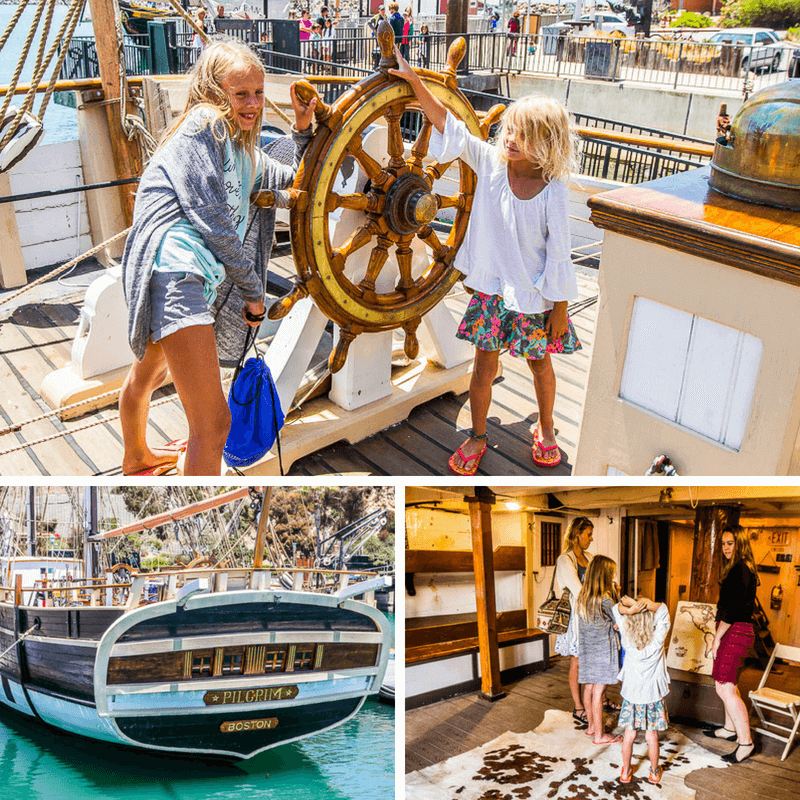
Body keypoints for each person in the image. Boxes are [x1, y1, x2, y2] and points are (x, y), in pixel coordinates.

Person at [119, 40, 316, 476]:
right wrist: (253, 292)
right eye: (240, 93)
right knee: (214, 423)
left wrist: (302, 130)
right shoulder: (204, 125)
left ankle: (135, 456)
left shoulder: (245, 154)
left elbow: (300, 179)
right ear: (212, 91)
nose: (252, 103)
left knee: (147, 376)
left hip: (175, 273)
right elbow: (214, 222)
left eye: (259, 93)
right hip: (175, 270)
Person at [389, 51, 580, 476]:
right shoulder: (491, 164)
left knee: (540, 364)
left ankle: (546, 428)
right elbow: (448, 125)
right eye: (508, 129)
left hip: (534, 298)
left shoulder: (554, 193)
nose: (509, 138)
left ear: (546, 144)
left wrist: (561, 308)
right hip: (493, 292)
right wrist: (415, 81)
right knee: (484, 367)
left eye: (522, 134)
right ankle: (477, 435)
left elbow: (560, 255)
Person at [703, 525, 759, 764]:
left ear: (740, 543)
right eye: (724, 543)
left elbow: (731, 609)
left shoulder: (740, 569)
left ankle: (745, 743)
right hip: (734, 630)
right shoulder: (741, 567)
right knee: (728, 682)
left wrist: (716, 638)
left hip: (735, 630)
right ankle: (729, 728)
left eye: (730, 543)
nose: (726, 548)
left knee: (724, 687)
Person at [613, 595, 671, 784]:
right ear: (651, 620)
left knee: (628, 735)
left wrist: (629, 606)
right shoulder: (657, 640)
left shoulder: (627, 639)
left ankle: (626, 771)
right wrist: (645, 604)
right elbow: (663, 611)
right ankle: (654, 773)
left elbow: (616, 609)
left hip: (632, 697)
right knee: (651, 736)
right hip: (652, 696)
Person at [577, 555, 622, 745]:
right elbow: (619, 621)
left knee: (589, 687)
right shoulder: (605, 600)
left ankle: (591, 728)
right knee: (599, 691)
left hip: (587, 651)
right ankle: (600, 735)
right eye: (611, 573)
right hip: (603, 652)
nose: (613, 576)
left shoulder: (583, 598)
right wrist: (617, 594)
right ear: (604, 575)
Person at [554, 517, 594, 726]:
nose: (591, 539)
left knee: (594, 658)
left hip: (591, 614)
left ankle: (599, 698)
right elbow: (579, 591)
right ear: (577, 534)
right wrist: (600, 592)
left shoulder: (589, 557)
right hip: (577, 619)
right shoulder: (565, 560)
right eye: (588, 534)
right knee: (577, 662)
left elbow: (601, 579)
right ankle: (579, 707)